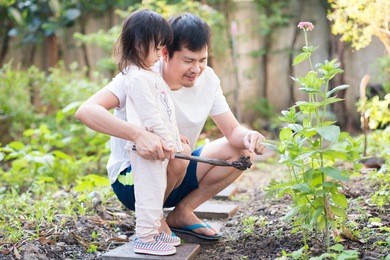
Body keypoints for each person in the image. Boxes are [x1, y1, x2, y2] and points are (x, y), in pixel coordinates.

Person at [75, 12, 266, 244]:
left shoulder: (209, 80)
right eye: (188, 60)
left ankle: (182, 213)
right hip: (133, 180)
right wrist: (138, 134)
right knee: (181, 153)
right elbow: (86, 110)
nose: (196, 69)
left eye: (202, 60)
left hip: (179, 170)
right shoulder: (139, 76)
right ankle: (154, 220)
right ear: (164, 53)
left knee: (241, 153)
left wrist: (249, 136)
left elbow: (233, 133)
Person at [112, 9, 191, 256]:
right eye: (157, 49)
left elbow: (166, 111)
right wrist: (170, 143)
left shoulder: (148, 74)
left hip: (160, 147)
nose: (160, 55)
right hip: (147, 150)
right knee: (149, 193)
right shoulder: (136, 78)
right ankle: (145, 238)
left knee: (157, 191)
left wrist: (175, 137)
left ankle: (155, 233)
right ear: (138, 43)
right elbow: (150, 117)